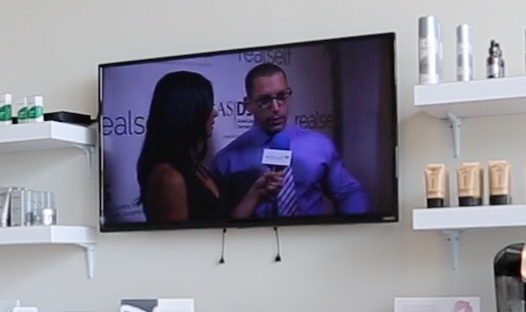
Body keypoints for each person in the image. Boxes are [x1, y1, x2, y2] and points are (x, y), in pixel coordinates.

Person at [213, 63, 368, 219]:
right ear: (248, 105)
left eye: (282, 96)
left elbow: (348, 193)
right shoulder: (226, 161)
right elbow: (220, 220)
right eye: (265, 100)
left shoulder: (319, 146)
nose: (276, 108)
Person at [136, 71, 280, 223]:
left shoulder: (194, 167)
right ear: (188, 112)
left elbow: (221, 224)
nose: (215, 112)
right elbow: (178, 238)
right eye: (208, 105)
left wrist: (256, 193)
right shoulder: (169, 179)